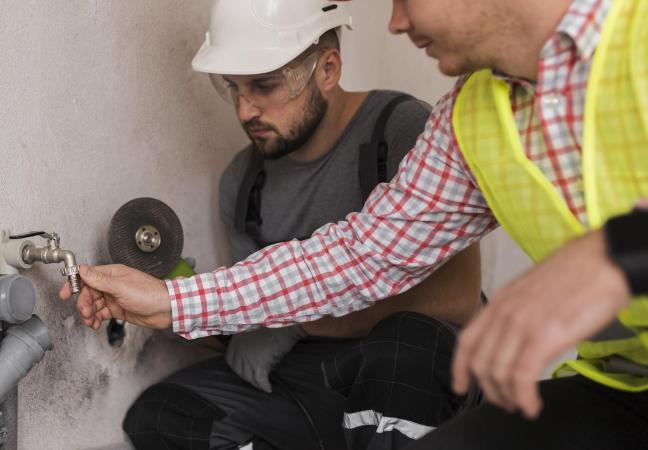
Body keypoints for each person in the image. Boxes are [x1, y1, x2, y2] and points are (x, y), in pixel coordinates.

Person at [63, 0, 648, 448]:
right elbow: (362, 255)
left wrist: (616, 254)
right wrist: (170, 300)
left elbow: (447, 301)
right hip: (621, 385)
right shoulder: (472, 119)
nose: (394, 22)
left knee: (405, 357)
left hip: (409, 362)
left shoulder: (635, 35)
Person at [121, 3, 481, 449]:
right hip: (312, 376)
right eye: (233, 87)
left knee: (405, 350)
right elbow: (259, 318)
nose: (245, 111)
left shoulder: (402, 131)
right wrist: (179, 310)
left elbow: (456, 298)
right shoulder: (243, 182)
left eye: (264, 85)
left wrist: (301, 324)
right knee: (164, 414)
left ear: (327, 69)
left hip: (412, 370)